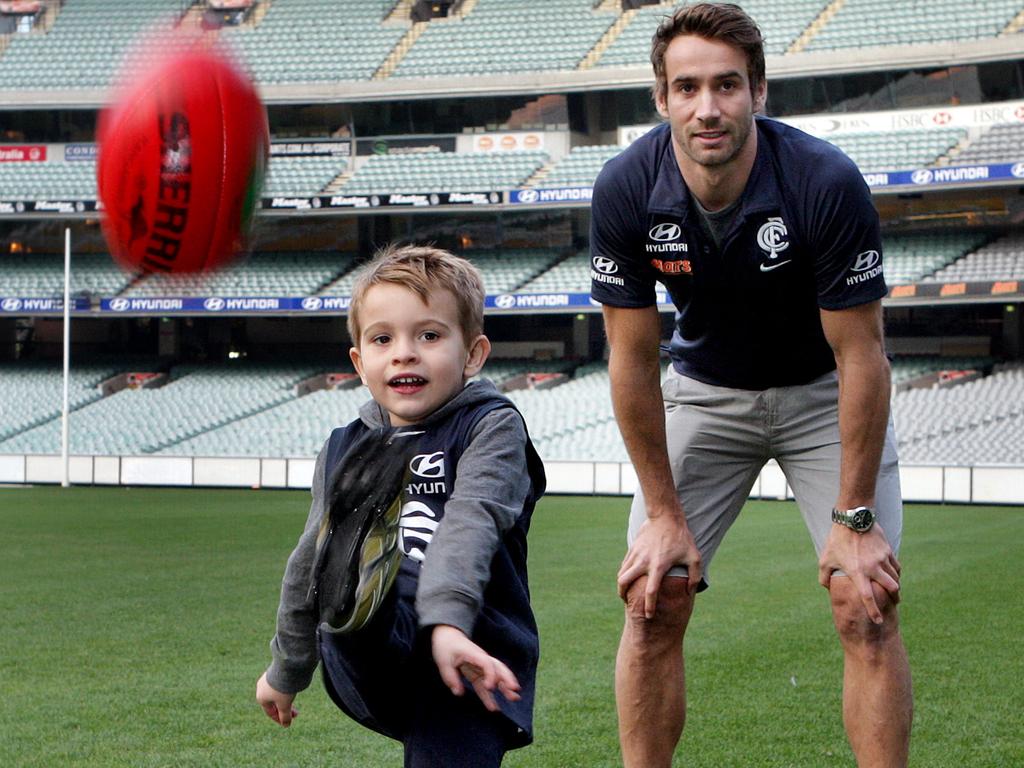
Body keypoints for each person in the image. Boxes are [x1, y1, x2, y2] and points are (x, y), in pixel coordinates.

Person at [589, 4, 911, 767]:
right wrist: (664, 515)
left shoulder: (823, 181)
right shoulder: (626, 188)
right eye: (689, 87)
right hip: (704, 391)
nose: (709, 107)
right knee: (653, 595)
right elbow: (632, 360)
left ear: (758, 91)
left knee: (866, 604)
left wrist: (855, 520)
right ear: (661, 99)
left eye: (728, 85)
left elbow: (862, 354)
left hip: (821, 396)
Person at [256, 245, 546, 768]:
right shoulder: (346, 445)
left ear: (474, 354)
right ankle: (363, 601)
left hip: (473, 649)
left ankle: (376, 601)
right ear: (359, 362)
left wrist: (448, 627)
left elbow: (471, 523)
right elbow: (308, 561)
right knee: (343, 573)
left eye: (429, 336)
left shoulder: (490, 427)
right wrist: (286, 669)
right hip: (378, 651)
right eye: (382, 338)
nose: (404, 353)